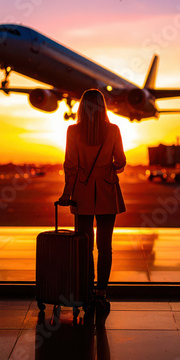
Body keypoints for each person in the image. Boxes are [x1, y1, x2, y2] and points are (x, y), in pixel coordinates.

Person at [58, 89, 126, 312]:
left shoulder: (73, 130)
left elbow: (70, 165)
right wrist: (111, 166)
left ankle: (86, 292)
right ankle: (101, 294)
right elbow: (121, 161)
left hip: (82, 192)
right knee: (105, 247)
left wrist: (67, 193)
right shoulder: (113, 129)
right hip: (107, 191)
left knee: (85, 247)